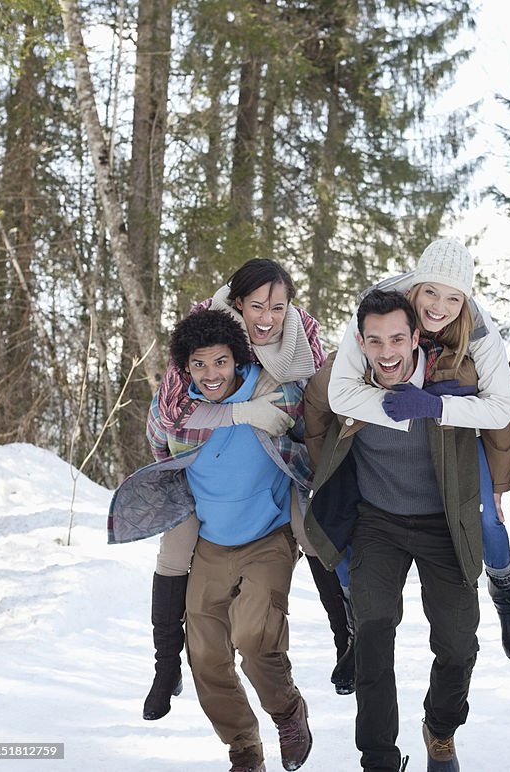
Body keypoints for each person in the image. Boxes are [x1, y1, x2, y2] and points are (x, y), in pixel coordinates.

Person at [142, 259, 354, 721]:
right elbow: (169, 413)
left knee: (314, 531)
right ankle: (165, 666)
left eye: (278, 307)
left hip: (278, 461)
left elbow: (314, 399)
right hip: (200, 461)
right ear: (237, 304)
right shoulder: (205, 330)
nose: (267, 318)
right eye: (257, 306)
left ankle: (347, 638)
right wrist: (238, 414)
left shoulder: (301, 337)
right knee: (175, 549)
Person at [304, 289, 504, 772]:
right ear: (360, 343)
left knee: (459, 645)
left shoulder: (455, 377)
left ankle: (441, 728)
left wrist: (499, 485)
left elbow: (501, 416)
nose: (388, 352)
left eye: (398, 338)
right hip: (378, 522)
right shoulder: (345, 383)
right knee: (372, 631)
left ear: (417, 336)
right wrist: (322, 476)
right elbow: (313, 414)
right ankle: (377, 756)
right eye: (375, 341)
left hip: (443, 522)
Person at [110, 310, 313, 772]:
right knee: (204, 654)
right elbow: (160, 443)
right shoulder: (183, 415)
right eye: (198, 365)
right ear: (186, 369)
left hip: (268, 535)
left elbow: (309, 406)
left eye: (220, 362)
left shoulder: (270, 395)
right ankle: (243, 747)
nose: (211, 374)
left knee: (253, 636)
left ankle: (287, 712)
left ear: (237, 361)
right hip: (212, 543)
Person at [325, 238, 510, 659]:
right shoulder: (377, 310)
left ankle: (506, 591)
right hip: (382, 431)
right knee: (336, 519)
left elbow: (502, 407)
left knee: (487, 519)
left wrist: (438, 405)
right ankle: (354, 626)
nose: (439, 306)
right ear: (414, 285)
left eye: (453, 297)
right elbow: (340, 394)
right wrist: (406, 401)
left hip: (452, 432)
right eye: (430, 291)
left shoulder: (478, 325)